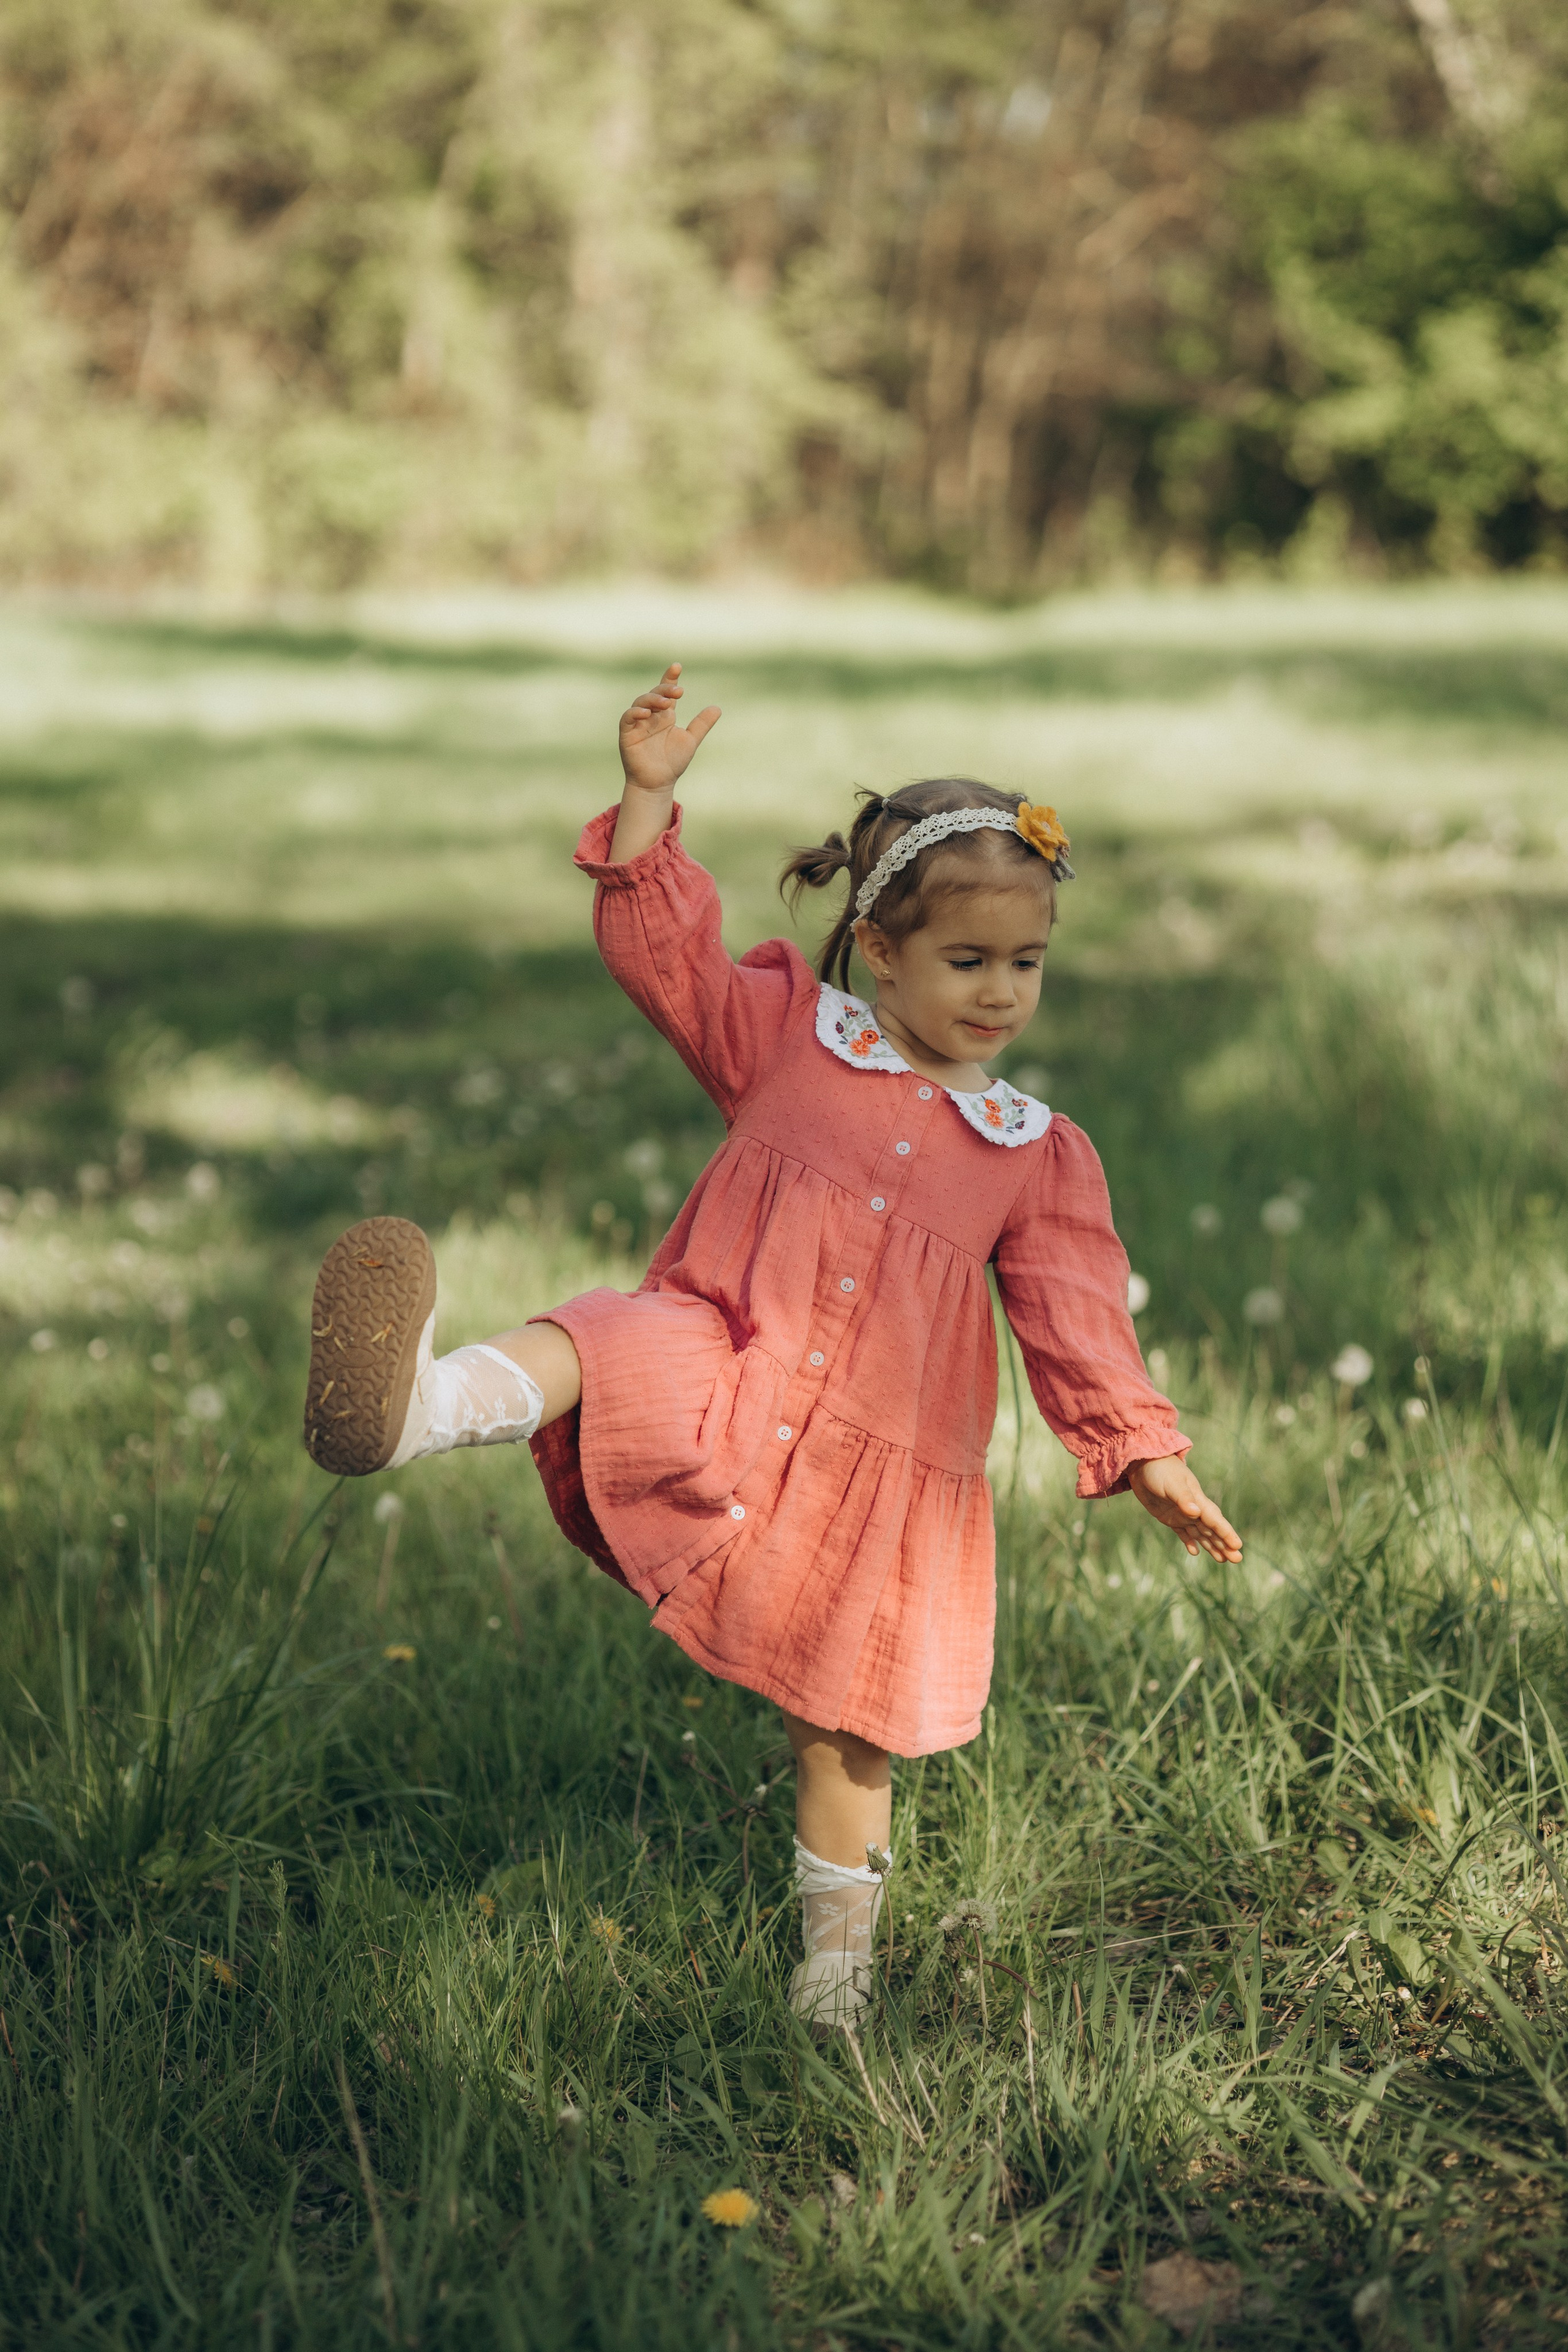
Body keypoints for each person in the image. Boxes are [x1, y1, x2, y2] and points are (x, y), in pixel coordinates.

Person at [303, 663, 1242, 2030]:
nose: (1000, 993)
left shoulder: (1032, 1153)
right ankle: (413, 1410)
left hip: (883, 1474)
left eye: (1024, 964)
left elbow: (1076, 1315)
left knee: (846, 1729)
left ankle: (834, 1977)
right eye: (966, 961)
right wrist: (646, 796)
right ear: (877, 948)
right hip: (730, 1358)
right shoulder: (792, 1041)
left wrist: (1140, 1452)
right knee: (610, 1336)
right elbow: (661, 955)